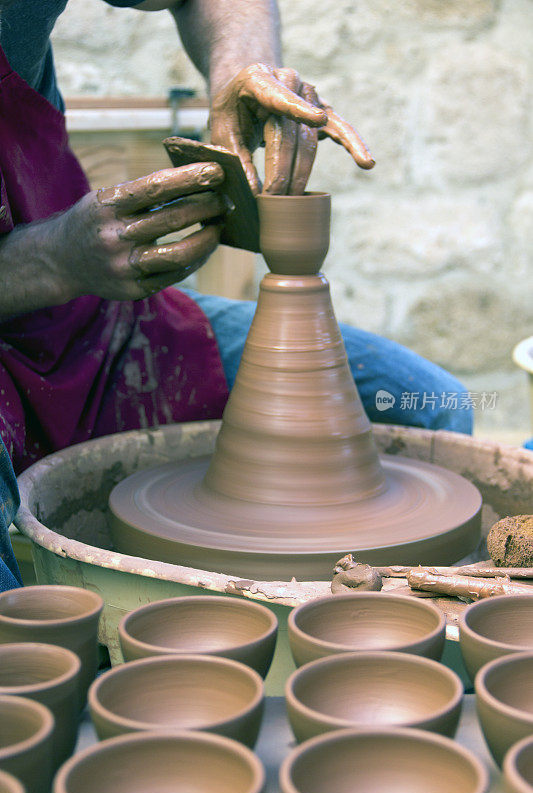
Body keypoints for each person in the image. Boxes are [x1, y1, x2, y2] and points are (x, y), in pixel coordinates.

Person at [0, 0, 472, 588]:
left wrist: (246, 74)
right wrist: (47, 260)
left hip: (89, 318)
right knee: (23, 639)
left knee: (433, 402)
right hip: (36, 296)